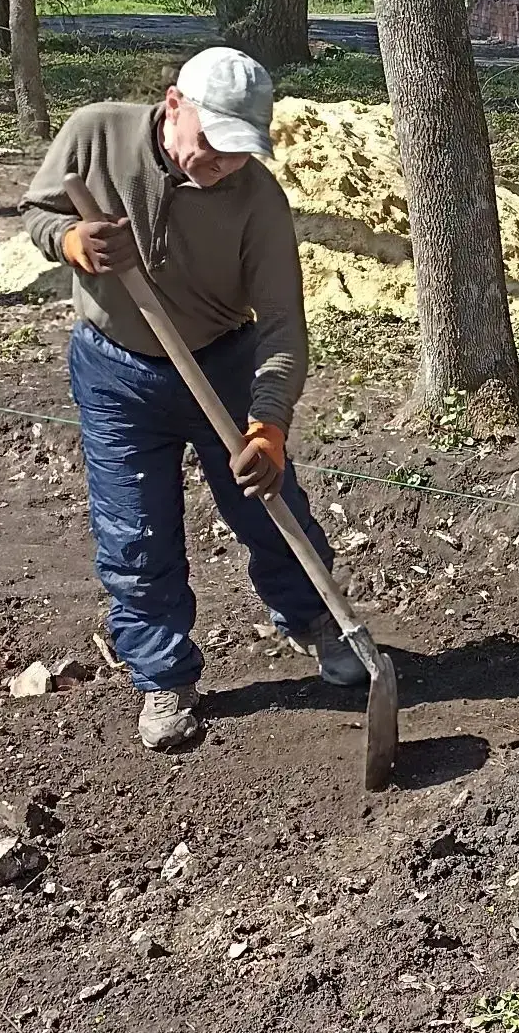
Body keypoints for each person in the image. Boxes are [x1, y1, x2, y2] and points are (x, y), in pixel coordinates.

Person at [21, 46, 364, 750]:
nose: (222, 164)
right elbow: (37, 213)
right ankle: (163, 677)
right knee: (136, 533)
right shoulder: (95, 134)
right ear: (174, 105)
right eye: (212, 144)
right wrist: (73, 241)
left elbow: (281, 328)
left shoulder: (257, 200)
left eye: (239, 151)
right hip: (116, 373)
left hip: (223, 368)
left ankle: (314, 620)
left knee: (270, 507)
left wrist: (268, 425)